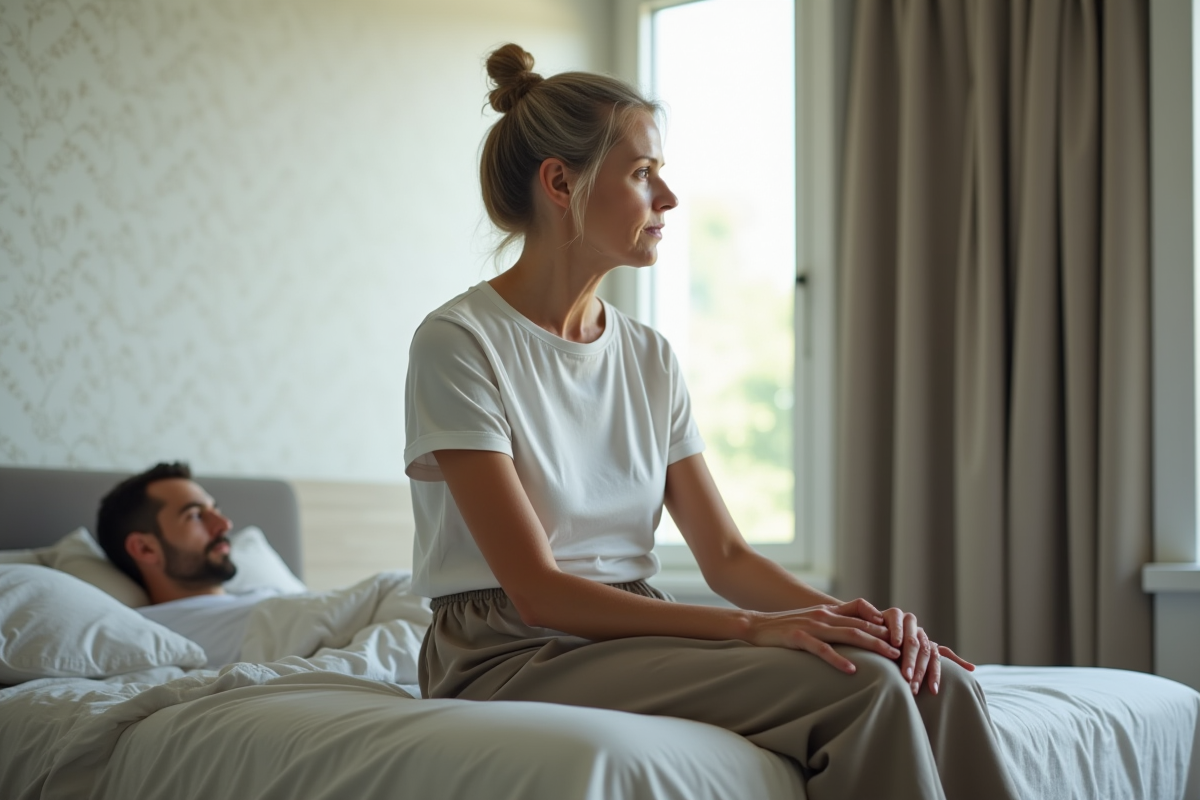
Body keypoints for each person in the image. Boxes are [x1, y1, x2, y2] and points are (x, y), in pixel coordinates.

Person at [403, 43, 1021, 800]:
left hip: (626, 628)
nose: (668, 198)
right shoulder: (459, 342)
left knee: (931, 682)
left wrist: (856, 622)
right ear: (561, 182)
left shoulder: (648, 357)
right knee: (864, 688)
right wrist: (751, 629)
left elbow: (724, 555)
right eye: (641, 174)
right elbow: (538, 591)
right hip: (509, 650)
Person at [96, 462, 278, 668]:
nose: (224, 525)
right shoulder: (151, 635)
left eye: (215, 510)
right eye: (195, 515)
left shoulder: (267, 595)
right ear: (145, 548)